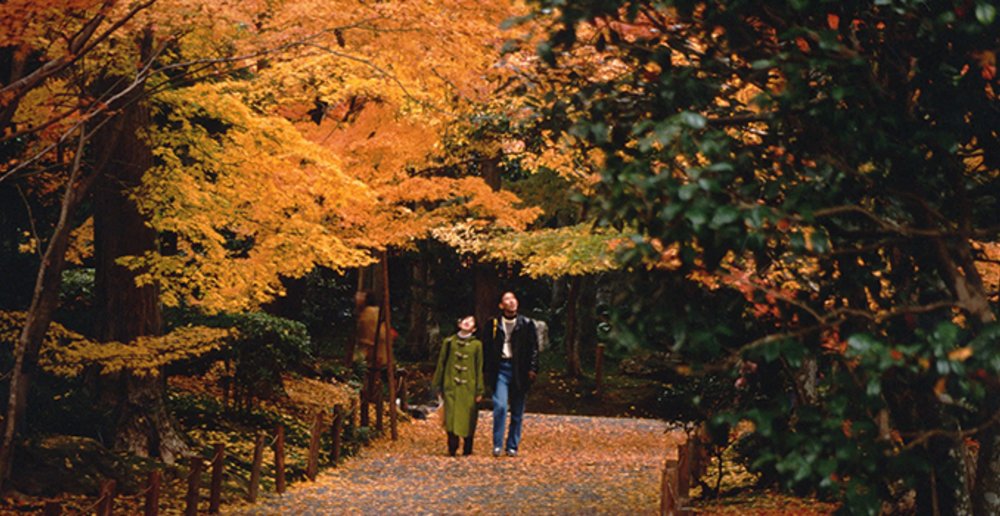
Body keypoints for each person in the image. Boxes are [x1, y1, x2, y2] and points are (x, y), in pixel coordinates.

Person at [482, 291, 539, 457]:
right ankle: (497, 444)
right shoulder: (493, 324)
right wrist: (486, 371)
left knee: (517, 411)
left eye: (513, 298)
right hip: (500, 368)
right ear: (501, 305)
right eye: (507, 299)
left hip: (519, 369)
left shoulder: (526, 324)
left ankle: (512, 445)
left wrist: (533, 369)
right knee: (500, 406)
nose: (511, 302)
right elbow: (486, 348)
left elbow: (534, 348)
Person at [432, 315, 484, 456]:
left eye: (471, 321)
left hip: (469, 387)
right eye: (465, 320)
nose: (467, 322)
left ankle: (468, 446)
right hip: (451, 385)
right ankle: (452, 446)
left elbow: (479, 367)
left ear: (474, 328)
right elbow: (441, 363)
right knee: (450, 417)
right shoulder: (449, 342)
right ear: (459, 323)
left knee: (468, 417)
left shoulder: (477, 345)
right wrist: (437, 384)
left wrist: (480, 389)